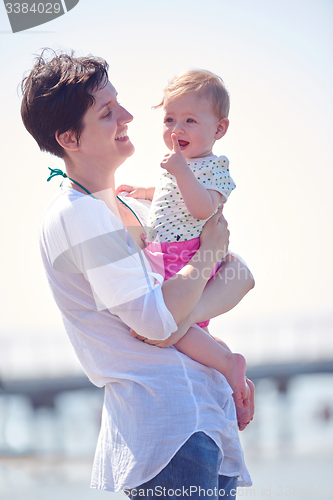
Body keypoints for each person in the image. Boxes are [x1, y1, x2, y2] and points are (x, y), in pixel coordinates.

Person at [21, 49, 255, 498]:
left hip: (206, 417)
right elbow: (153, 321)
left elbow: (240, 273)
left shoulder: (140, 206)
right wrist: (206, 259)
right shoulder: (78, 215)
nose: (128, 116)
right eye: (108, 112)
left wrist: (183, 317)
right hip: (167, 430)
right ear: (69, 138)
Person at [116, 69, 251, 408]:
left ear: (219, 129)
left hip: (187, 254)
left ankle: (226, 363)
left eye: (190, 120)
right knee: (188, 329)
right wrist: (144, 191)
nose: (177, 129)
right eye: (170, 119)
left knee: (172, 325)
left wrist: (179, 170)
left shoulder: (213, 167)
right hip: (168, 254)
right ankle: (221, 358)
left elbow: (203, 207)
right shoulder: (182, 165)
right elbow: (168, 195)